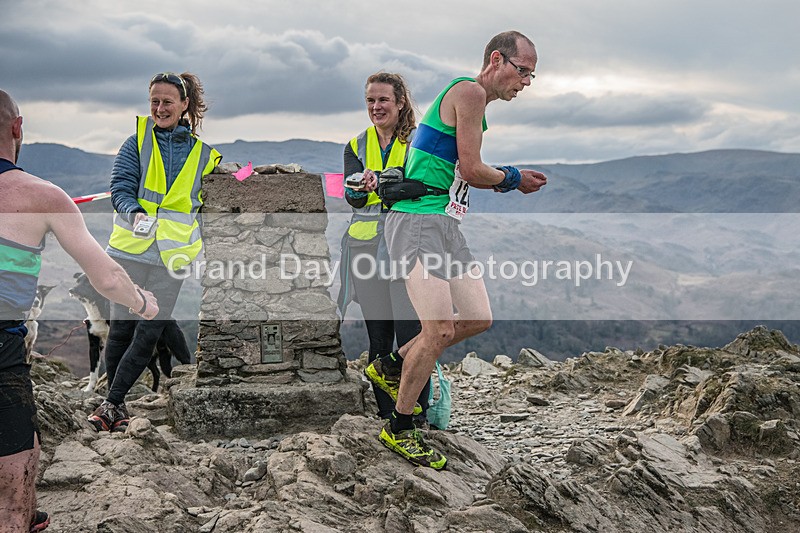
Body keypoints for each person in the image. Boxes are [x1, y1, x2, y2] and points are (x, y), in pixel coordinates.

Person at [364, 31, 548, 469]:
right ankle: (399, 427)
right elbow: (472, 168)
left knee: (478, 317)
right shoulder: (469, 92)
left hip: (444, 223)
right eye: (523, 71)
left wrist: (497, 178)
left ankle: (391, 365)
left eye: (531, 75)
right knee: (439, 330)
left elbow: (463, 171)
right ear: (497, 60)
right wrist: (513, 178)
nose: (525, 82)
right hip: (418, 221)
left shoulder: (475, 106)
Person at [0, 89, 159, 532]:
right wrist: (143, 302)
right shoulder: (41, 195)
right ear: (18, 127)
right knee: (14, 485)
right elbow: (106, 278)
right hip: (1, 350)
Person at [88, 72, 221, 433]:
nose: (160, 108)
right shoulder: (136, 143)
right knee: (121, 331)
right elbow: (120, 189)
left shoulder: (205, 156)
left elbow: (214, 198)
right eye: (154, 101)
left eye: (167, 102)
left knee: (148, 334)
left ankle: (112, 404)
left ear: (184, 105)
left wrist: (237, 176)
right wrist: (134, 213)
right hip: (129, 252)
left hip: (171, 258)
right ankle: (115, 404)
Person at [338, 72, 431, 422]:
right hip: (364, 248)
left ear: (400, 102)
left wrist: (383, 183)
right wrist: (358, 190)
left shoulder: (419, 141)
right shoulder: (356, 145)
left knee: (412, 335)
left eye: (383, 100)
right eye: (370, 100)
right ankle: (385, 414)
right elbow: (354, 200)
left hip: (406, 245)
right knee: (378, 339)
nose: (376, 107)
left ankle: (416, 416)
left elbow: (422, 187)